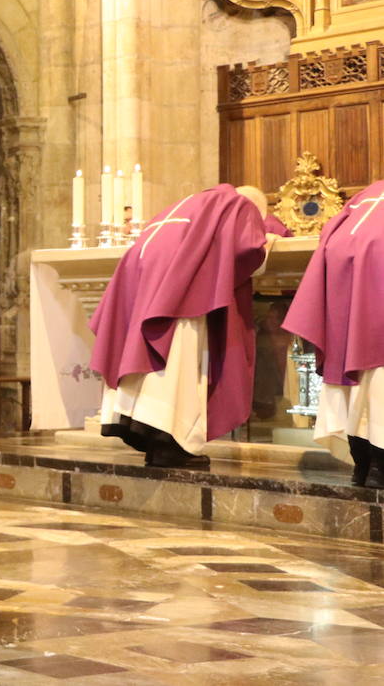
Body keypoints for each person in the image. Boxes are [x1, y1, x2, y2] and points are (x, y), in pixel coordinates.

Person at [90, 184, 274, 469]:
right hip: (182, 293)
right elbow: (246, 247)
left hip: (150, 282)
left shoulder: (186, 206)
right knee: (178, 360)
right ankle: (170, 443)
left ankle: (150, 438)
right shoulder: (238, 204)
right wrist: (267, 244)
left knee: (150, 354)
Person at [284, 179, 384, 487]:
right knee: (377, 375)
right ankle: (378, 464)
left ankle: (363, 462)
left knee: (358, 375)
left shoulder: (364, 199)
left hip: (344, 263)